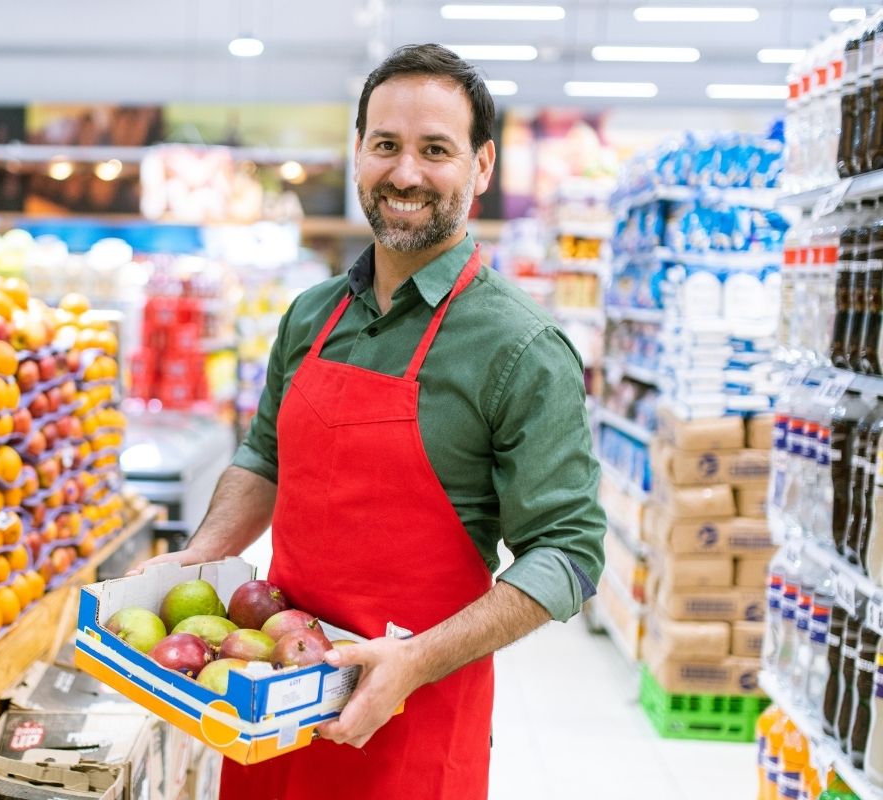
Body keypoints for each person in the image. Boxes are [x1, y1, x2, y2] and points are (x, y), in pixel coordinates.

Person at [133, 43, 606, 799]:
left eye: (435, 150)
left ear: (481, 167)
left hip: (411, 720)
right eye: (386, 145)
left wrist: (414, 662)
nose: (406, 172)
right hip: (268, 703)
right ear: (358, 153)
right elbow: (264, 458)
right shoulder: (311, 316)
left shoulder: (522, 349)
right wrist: (197, 559)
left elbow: (569, 554)